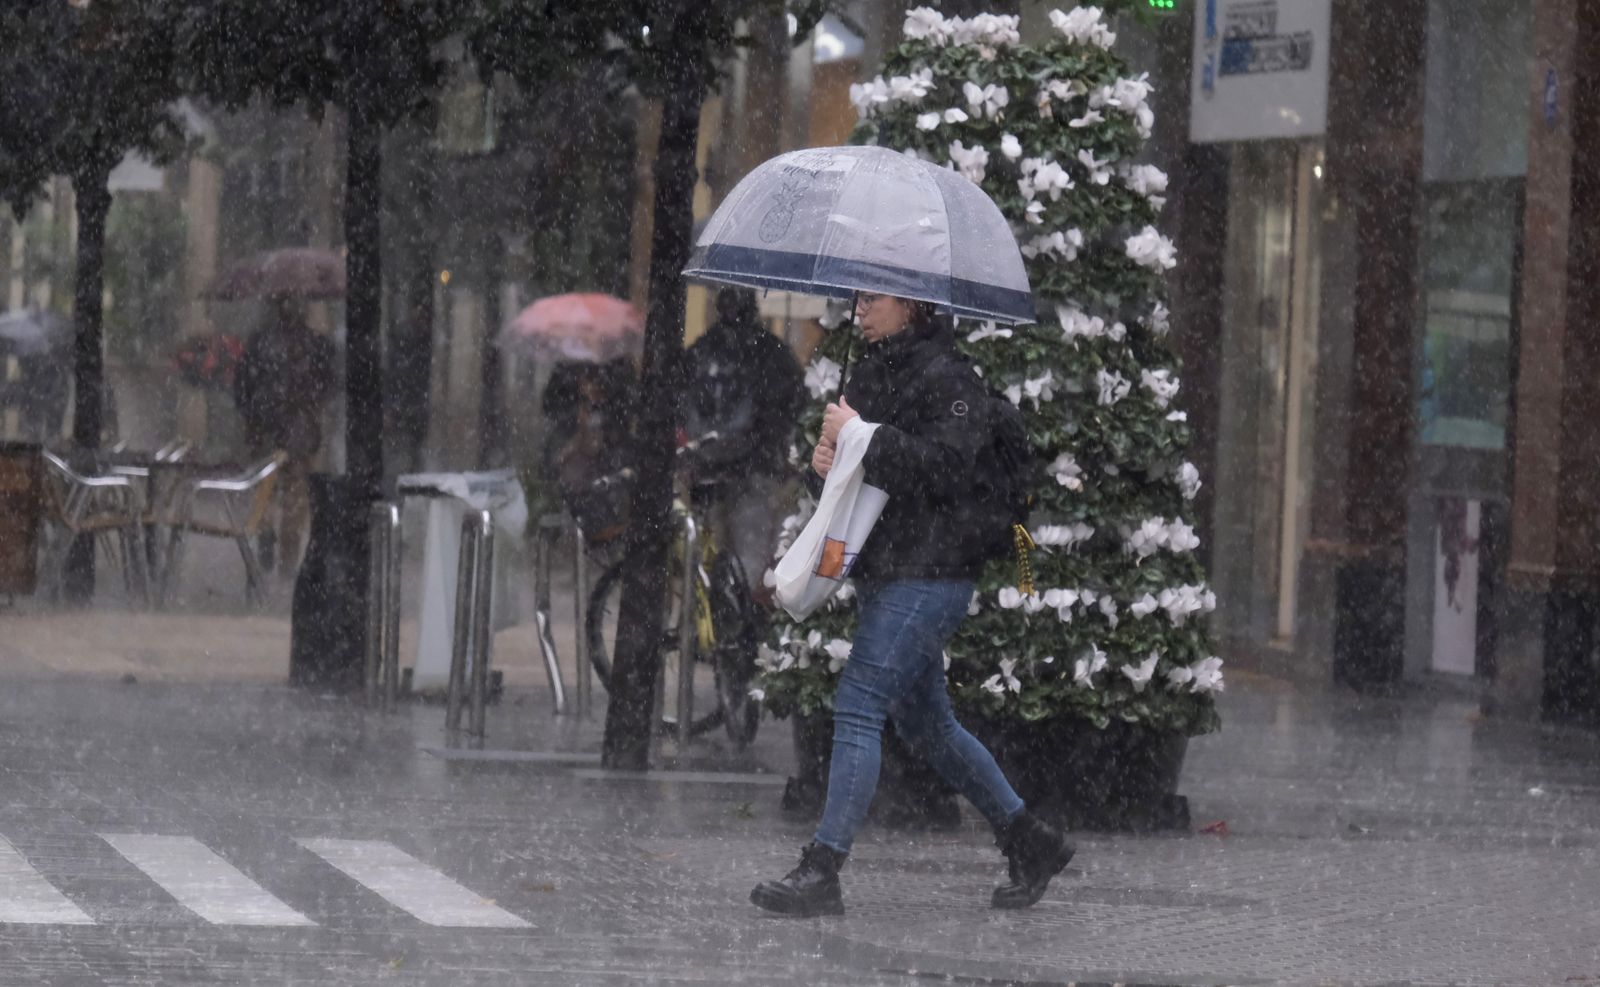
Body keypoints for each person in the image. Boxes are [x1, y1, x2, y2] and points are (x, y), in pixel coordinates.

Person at [750, 291, 1074, 918]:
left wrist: (863, 438)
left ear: (915, 306)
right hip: (887, 568)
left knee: (861, 701)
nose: (862, 311)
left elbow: (946, 470)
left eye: (875, 300)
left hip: (935, 571)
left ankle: (823, 868)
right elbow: (858, 476)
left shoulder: (951, 378)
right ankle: (1028, 840)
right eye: (858, 299)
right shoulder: (873, 372)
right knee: (929, 725)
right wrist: (826, 462)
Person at [681, 287, 805, 588]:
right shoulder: (771, 353)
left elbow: (679, 401)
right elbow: (795, 404)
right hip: (755, 469)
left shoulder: (700, 350)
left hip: (705, 469)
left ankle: (709, 623)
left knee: (705, 555)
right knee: (748, 557)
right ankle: (739, 622)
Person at [232, 295, 337, 578]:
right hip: (300, 436)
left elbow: (241, 387)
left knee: (265, 489)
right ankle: (287, 564)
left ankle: (265, 528)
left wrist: (254, 416)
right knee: (296, 497)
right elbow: (328, 386)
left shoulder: (258, 344)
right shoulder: (316, 346)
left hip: (264, 431)